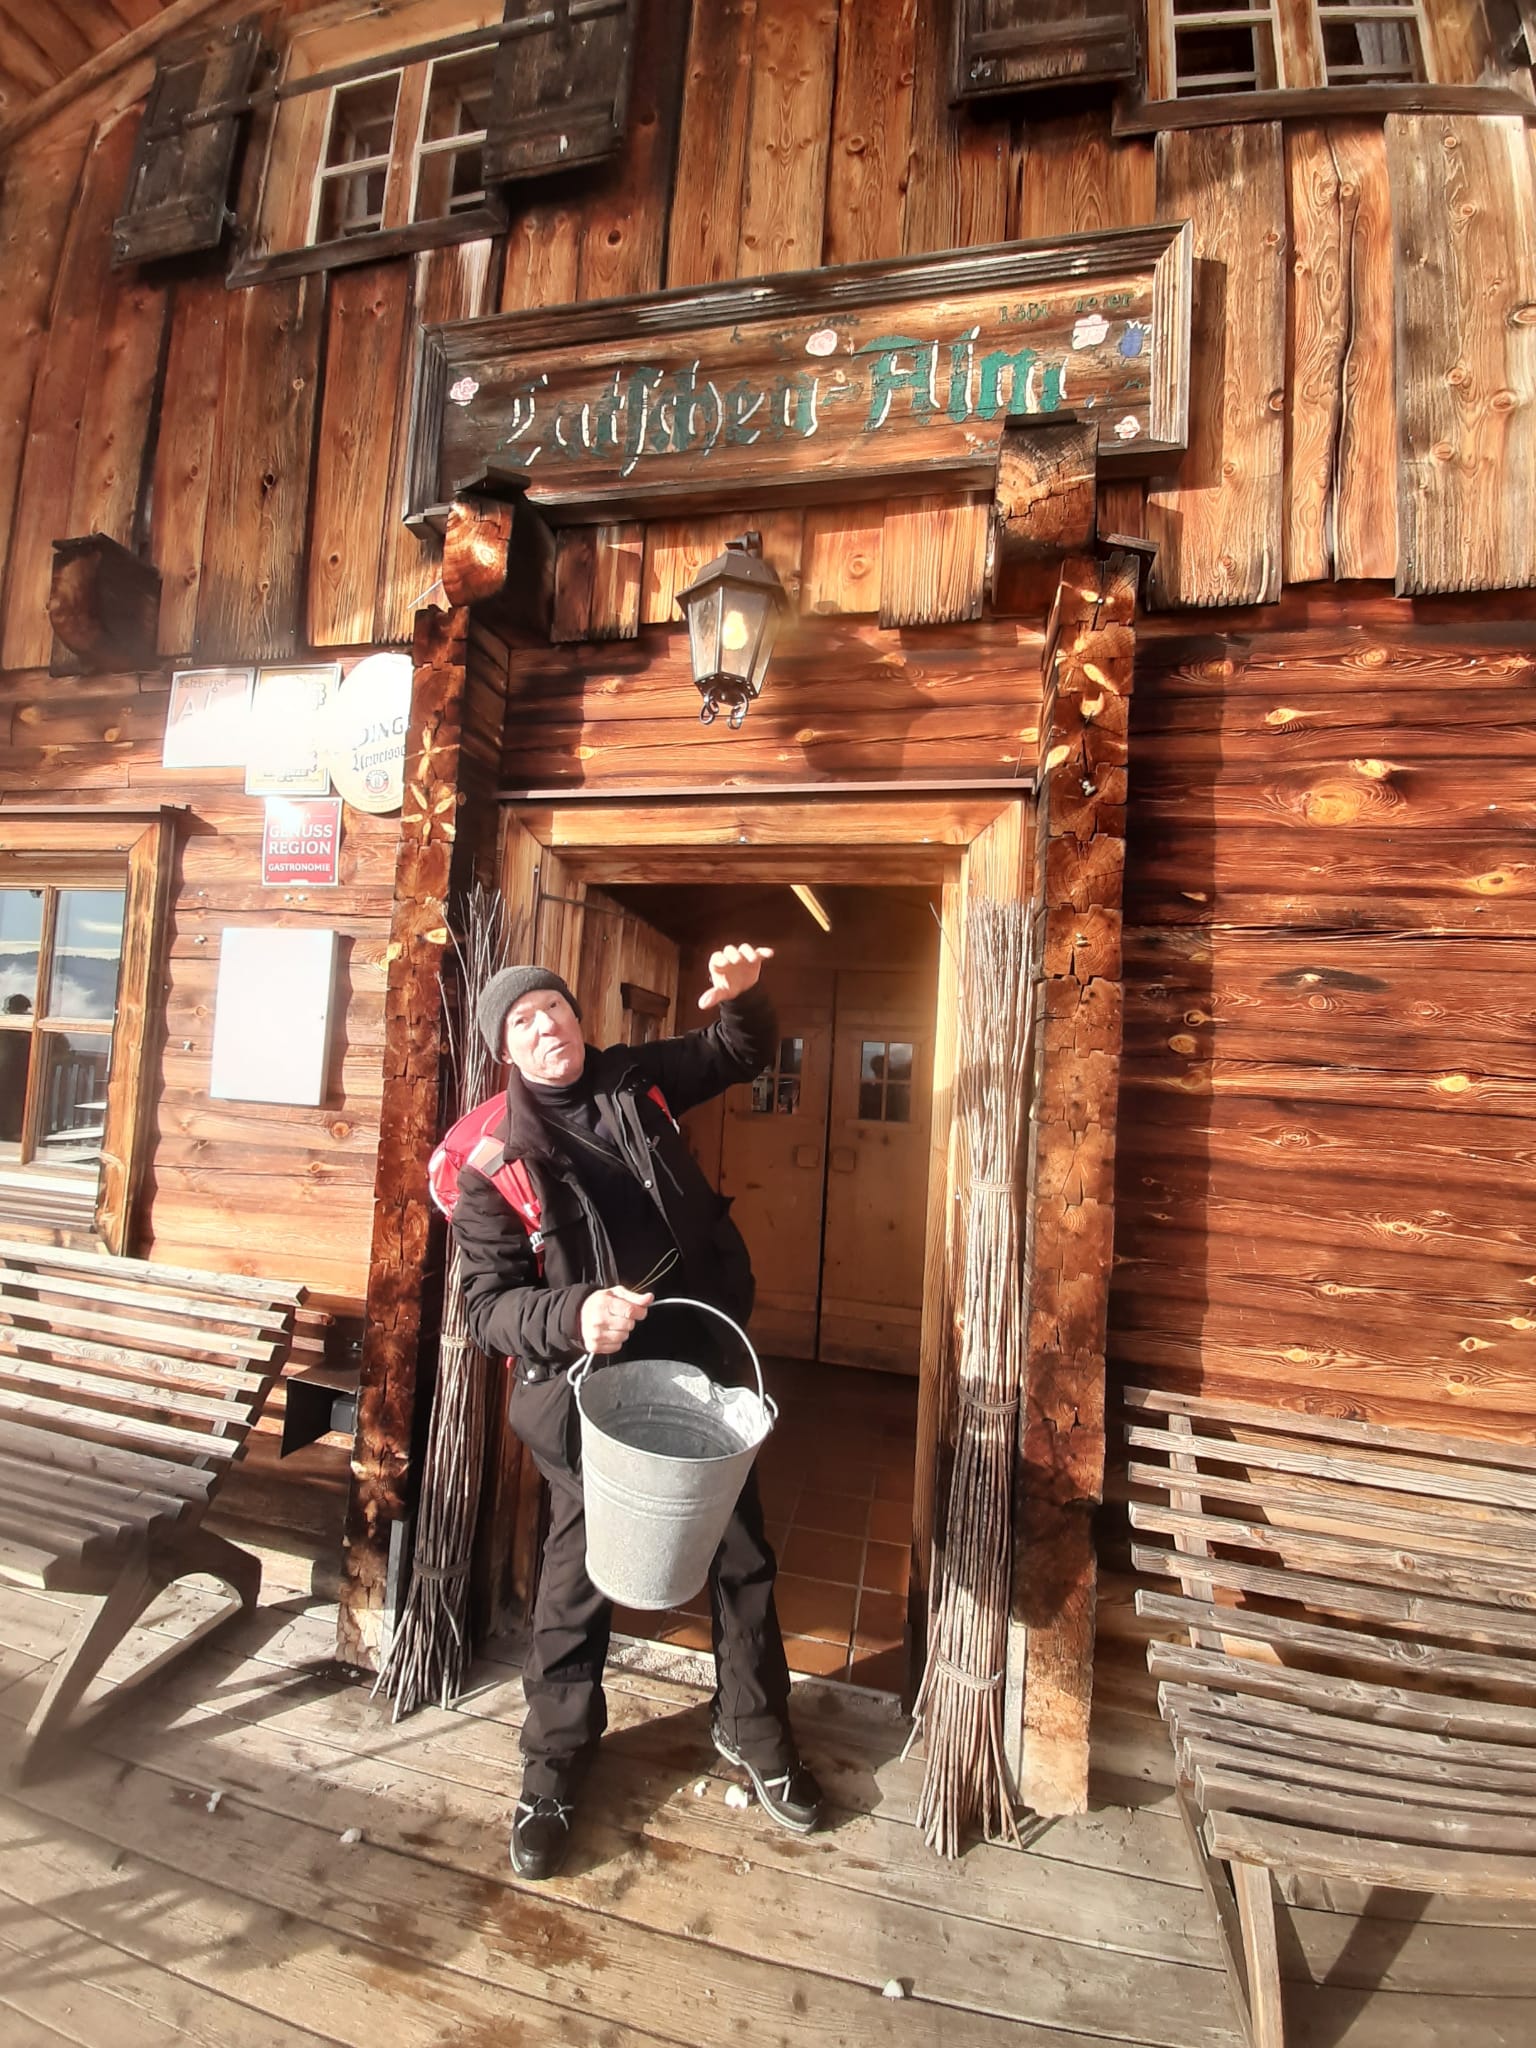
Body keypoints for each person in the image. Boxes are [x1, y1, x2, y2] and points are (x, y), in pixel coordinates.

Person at [453, 943, 822, 1880]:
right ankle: (553, 1768)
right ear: (506, 1048)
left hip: (696, 1366)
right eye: (524, 1021)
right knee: (575, 1578)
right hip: (586, 1391)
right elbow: (486, 1309)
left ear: (578, 1017)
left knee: (740, 1553)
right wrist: (575, 1313)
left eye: (554, 1008)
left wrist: (742, 1001)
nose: (546, 1026)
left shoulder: (633, 1079)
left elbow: (734, 1052)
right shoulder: (491, 1160)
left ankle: (754, 1731)